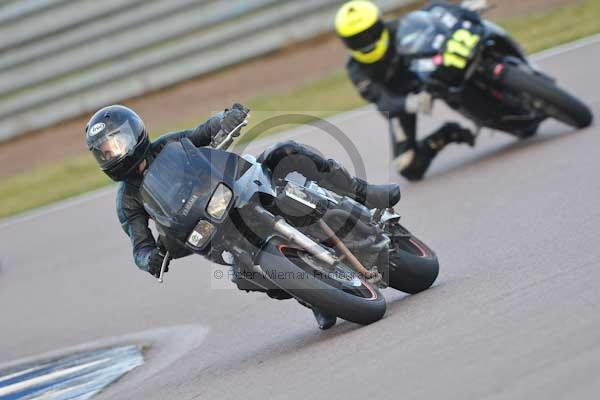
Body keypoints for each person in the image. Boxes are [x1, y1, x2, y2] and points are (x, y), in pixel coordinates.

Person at [85, 104, 400, 330]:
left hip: (238, 188)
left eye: (116, 142)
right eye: (105, 151)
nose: (113, 153)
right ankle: (315, 297)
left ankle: (362, 191)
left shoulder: (166, 145)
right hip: (210, 230)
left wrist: (225, 119)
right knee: (242, 275)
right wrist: (149, 258)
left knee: (286, 152)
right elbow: (139, 245)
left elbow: (202, 132)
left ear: (134, 134)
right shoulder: (127, 200)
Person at [335, 0, 480, 181]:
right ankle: (445, 135)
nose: (366, 42)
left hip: (430, 75)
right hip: (403, 101)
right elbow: (382, 100)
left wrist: (461, 13)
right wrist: (410, 103)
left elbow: (432, 16)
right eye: (356, 39)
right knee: (408, 166)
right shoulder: (355, 68)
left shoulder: (401, 27)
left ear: (380, 24)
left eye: (369, 33)